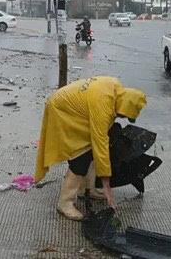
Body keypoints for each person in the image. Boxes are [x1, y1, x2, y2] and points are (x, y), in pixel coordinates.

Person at [34, 76, 147, 221]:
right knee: (80, 155)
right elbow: (100, 145)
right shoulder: (103, 105)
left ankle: (86, 189)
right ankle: (65, 203)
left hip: (75, 107)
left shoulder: (115, 88)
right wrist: (107, 186)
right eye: (122, 115)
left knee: (92, 150)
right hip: (62, 109)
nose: (120, 117)